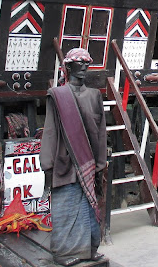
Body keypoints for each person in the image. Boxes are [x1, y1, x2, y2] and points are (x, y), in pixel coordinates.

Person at [40, 48, 107, 266]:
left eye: (87, 63)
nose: (85, 67)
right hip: (65, 160)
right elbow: (50, 130)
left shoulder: (94, 96)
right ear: (68, 67)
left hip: (88, 163)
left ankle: (89, 250)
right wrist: (47, 163)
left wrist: (100, 163)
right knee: (67, 208)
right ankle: (65, 254)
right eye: (80, 63)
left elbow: (101, 131)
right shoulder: (58, 96)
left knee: (89, 209)